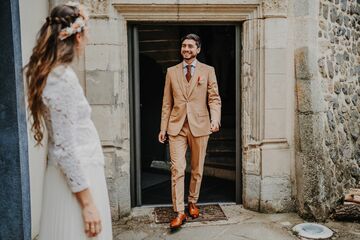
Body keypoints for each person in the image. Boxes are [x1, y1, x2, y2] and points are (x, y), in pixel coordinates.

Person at [24, 2, 112, 239]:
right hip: (75, 184)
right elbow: (64, 147)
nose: (89, 37)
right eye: (88, 30)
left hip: (76, 176)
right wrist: (88, 204)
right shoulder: (61, 78)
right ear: (78, 35)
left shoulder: (54, 73)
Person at [158, 33, 221, 229]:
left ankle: (192, 201)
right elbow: (167, 103)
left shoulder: (208, 71)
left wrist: (215, 119)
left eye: (190, 46)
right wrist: (163, 128)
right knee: (177, 169)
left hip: (200, 125)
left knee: (196, 169)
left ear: (198, 49)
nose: (186, 49)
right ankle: (179, 211)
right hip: (176, 127)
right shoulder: (171, 72)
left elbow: (214, 98)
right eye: (184, 46)